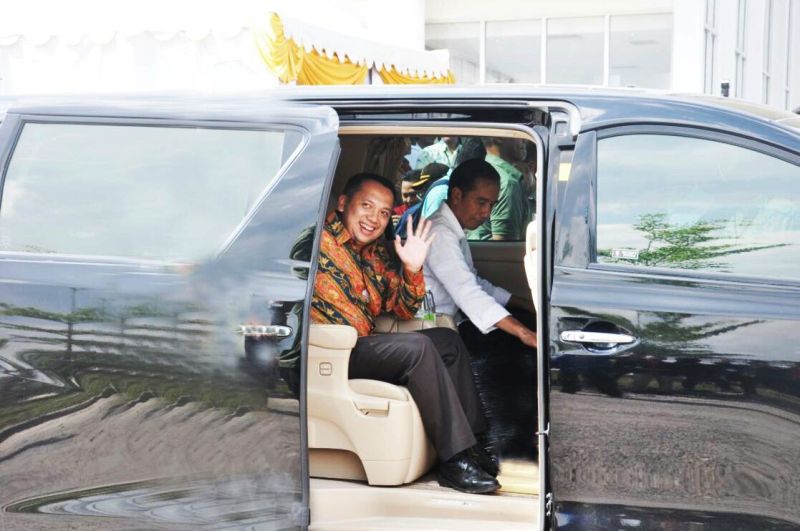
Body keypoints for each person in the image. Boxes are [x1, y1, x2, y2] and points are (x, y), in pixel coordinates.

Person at [311, 172, 501, 494]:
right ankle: (454, 461)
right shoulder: (316, 244)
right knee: (417, 348)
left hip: (363, 345)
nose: (374, 219)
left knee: (446, 340)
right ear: (343, 203)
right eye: (366, 206)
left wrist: (413, 268)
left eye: (384, 212)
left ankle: (475, 444)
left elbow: (401, 309)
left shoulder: (374, 253)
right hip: (331, 352)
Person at [423, 159, 539, 458]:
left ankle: (521, 437)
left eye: (491, 205)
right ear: (457, 195)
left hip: (456, 319)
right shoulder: (439, 233)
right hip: (436, 327)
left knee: (523, 324)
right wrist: (523, 332)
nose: (486, 213)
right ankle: (502, 448)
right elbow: (468, 293)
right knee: (512, 352)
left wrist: (526, 305)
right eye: (481, 202)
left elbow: (475, 281)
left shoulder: (453, 230)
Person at [467, 137, 529, 241]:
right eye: (517, 134)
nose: (525, 140)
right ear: (498, 138)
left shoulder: (477, 172)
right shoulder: (507, 183)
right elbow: (504, 246)